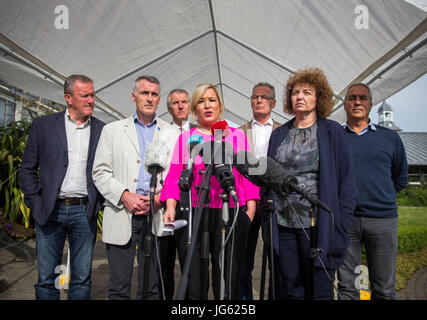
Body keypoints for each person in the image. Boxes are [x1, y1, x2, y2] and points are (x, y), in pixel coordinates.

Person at [160, 83, 260, 299]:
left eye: (212, 100)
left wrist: (250, 210)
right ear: (195, 108)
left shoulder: (236, 136)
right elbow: (175, 174)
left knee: (227, 278)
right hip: (195, 212)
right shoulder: (186, 138)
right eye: (201, 101)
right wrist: (170, 205)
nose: (207, 105)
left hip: (229, 211)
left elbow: (248, 176)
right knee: (195, 279)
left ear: (220, 106)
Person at [267, 67, 357, 300]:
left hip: (319, 224)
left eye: (307, 92)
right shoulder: (279, 134)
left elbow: (346, 182)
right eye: (295, 92)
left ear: (319, 98)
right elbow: (270, 174)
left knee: (319, 288)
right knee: (291, 288)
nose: (300, 97)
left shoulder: (332, 132)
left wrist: (341, 223)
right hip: (283, 222)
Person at [92, 75, 178, 300]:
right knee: (119, 288)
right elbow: (100, 172)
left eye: (154, 94)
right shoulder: (112, 130)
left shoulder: (172, 133)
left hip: (155, 213)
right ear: (133, 96)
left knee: (151, 287)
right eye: (144, 93)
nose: (149, 99)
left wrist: (159, 199)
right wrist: (124, 195)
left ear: (159, 99)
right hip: (122, 212)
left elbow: (175, 175)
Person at [20, 74, 105, 300]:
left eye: (92, 95)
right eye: (84, 95)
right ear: (68, 98)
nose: (90, 100)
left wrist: (98, 204)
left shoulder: (101, 130)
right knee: (47, 279)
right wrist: (35, 202)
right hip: (50, 210)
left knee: (81, 280)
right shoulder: (43, 125)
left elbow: (107, 171)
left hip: (84, 211)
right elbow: (27, 168)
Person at [337, 83, 408, 300]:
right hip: (346, 221)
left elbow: (401, 177)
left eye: (362, 98)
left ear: (370, 103)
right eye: (352, 98)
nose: (357, 102)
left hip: (383, 221)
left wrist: (379, 197)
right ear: (345, 104)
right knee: (348, 287)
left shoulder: (390, 138)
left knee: (384, 288)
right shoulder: (335, 137)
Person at [238, 82, 281, 300]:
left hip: (275, 199)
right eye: (255, 97)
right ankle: (244, 301)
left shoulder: (283, 131)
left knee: (276, 255)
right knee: (244, 255)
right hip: (248, 199)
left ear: (273, 103)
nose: (259, 100)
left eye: (264, 97)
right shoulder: (239, 132)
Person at [160, 88, 195, 299]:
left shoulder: (200, 133)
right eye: (175, 102)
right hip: (166, 201)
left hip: (191, 203)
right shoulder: (161, 132)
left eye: (184, 101)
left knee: (188, 260)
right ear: (169, 108)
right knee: (164, 260)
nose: (180, 106)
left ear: (190, 105)